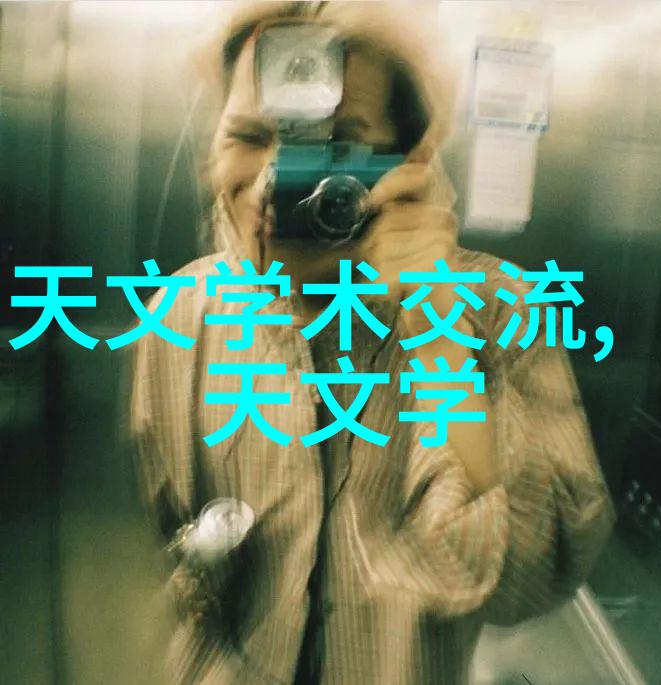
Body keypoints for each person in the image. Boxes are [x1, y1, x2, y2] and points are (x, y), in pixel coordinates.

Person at [130, 2, 615, 683]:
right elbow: (175, 531)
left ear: (411, 161)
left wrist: (438, 331)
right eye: (248, 135)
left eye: (334, 146)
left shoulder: (502, 310)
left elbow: (534, 579)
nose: (273, 180)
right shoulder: (184, 311)